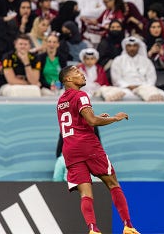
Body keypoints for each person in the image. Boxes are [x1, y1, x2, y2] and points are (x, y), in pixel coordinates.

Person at [56, 65, 139, 234]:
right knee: (112, 183)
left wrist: (100, 117)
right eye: (77, 73)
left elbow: (79, 121)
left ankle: (93, 229)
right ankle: (128, 226)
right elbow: (92, 121)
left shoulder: (60, 101)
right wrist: (115, 118)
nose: (82, 75)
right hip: (88, 146)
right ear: (68, 79)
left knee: (85, 193)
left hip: (70, 150)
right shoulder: (81, 95)